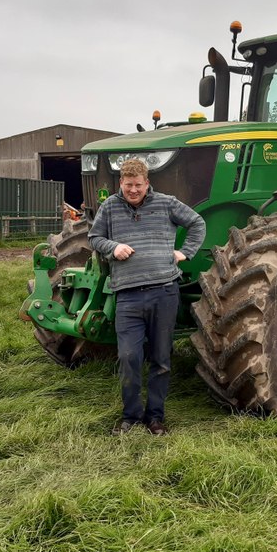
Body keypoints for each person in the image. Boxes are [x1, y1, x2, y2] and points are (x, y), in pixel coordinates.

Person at [88, 158, 206, 436]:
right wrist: (112, 247)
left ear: (147, 182)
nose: (133, 190)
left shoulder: (166, 203)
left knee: (161, 358)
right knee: (129, 356)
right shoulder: (110, 207)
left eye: (138, 185)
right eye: (128, 185)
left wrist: (185, 252)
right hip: (128, 295)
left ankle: (155, 417)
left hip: (164, 292)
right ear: (121, 183)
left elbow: (197, 223)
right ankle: (130, 416)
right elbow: (94, 237)